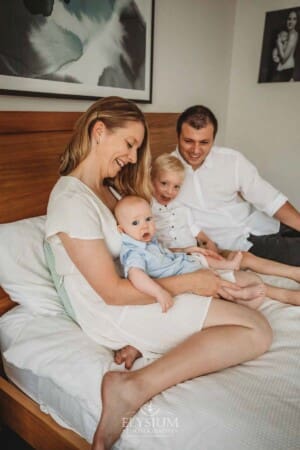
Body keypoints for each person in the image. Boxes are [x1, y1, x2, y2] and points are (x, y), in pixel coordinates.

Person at [45, 96, 272, 450]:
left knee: (248, 294)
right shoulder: (71, 200)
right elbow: (110, 292)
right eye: (130, 144)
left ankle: (147, 345)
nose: (134, 158)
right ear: (99, 131)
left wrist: (190, 262)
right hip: (114, 306)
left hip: (142, 288)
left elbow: (144, 249)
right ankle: (133, 386)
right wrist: (189, 283)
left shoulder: (110, 189)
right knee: (256, 330)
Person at [115, 194, 300, 313]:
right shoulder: (133, 253)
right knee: (215, 282)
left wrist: (187, 249)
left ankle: (230, 266)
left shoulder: (149, 238)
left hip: (183, 261)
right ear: (122, 230)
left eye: (148, 219)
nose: (146, 225)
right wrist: (158, 292)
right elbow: (136, 275)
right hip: (180, 275)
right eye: (135, 223)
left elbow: (169, 249)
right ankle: (241, 294)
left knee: (203, 258)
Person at [171, 105, 300, 266]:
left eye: (204, 142)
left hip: (261, 223)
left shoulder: (232, 160)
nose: (195, 150)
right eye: (188, 141)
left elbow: (270, 199)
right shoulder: (163, 174)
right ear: (178, 136)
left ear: (213, 139)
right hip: (239, 243)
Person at [151, 153, 300, 285]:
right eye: (164, 183)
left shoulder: (182, 207)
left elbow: (199, 234)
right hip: (191, 254)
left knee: (242, 257)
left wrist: (210, 246)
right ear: (151, 180)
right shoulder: (147, 208)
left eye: (176, 187)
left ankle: (293, 273)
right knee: (241, 261)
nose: (170, 191)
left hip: (255, 225)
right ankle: (287, 285)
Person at [271, 10, 299, 82]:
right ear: (286, 20)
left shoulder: (293, 35)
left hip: (286, 70)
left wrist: (278, 43)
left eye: (294, 19)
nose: (291, 22)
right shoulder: (287, 34)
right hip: (284, 70)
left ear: (297, 22)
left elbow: (283, 59)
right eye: (289, 19)